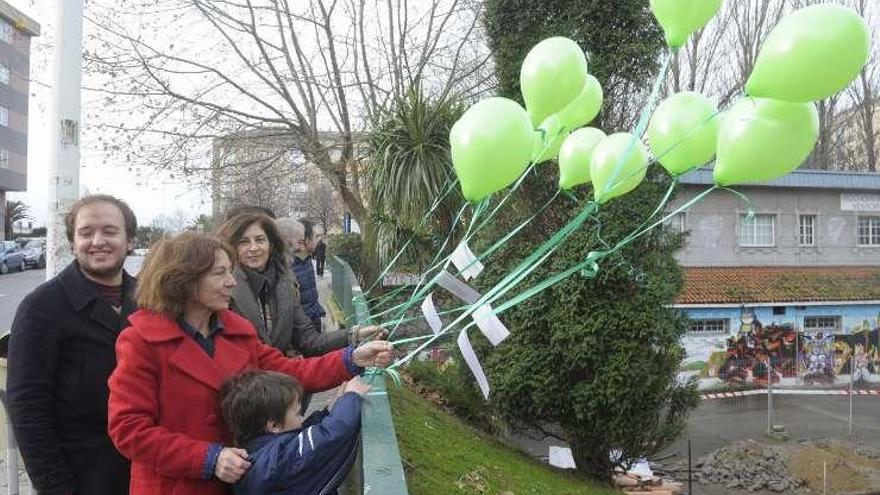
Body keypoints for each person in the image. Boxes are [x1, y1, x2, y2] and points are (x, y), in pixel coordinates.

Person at [107, 232, 394, 495]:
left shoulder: (236, 329)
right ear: (183, 280)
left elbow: (289, 372)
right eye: (220, 273)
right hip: (175, 487)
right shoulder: (142, 341)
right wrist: (207, 457)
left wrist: (352, 358)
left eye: (230, 272)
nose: (232, 282)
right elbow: (129, 428)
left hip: (238, 481)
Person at [7, 194, 138, 495]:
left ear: (129, 240)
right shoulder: (41, 308)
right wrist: (56, 488)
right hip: (80, 477)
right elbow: (28, 408)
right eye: (86, 232)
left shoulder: (150, 301)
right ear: (71, 243)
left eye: (109, 231)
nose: (97, 240)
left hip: (146, 473)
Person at [216, 213, 382, 356]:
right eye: (244, 241)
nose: (254, 248)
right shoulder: (219, 291)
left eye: (260, 240)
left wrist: (355, 335)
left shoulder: (284, 285)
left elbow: (309, 340)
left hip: (279, 383)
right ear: (231, 246)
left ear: (271, 245)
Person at [219, 371, 369, 495]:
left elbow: (304, 435)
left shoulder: (261, 452)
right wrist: (352, 397)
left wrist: (329, 410)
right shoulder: (279, 456)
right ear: (274, 425)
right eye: (298, 414)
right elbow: (329, 435)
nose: (302, 418)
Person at [276, 217, 326, 334]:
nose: (319, 240)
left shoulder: (306, 259)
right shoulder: (289, 265)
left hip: (312, 320)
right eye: (316, 236)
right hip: (303, 328)